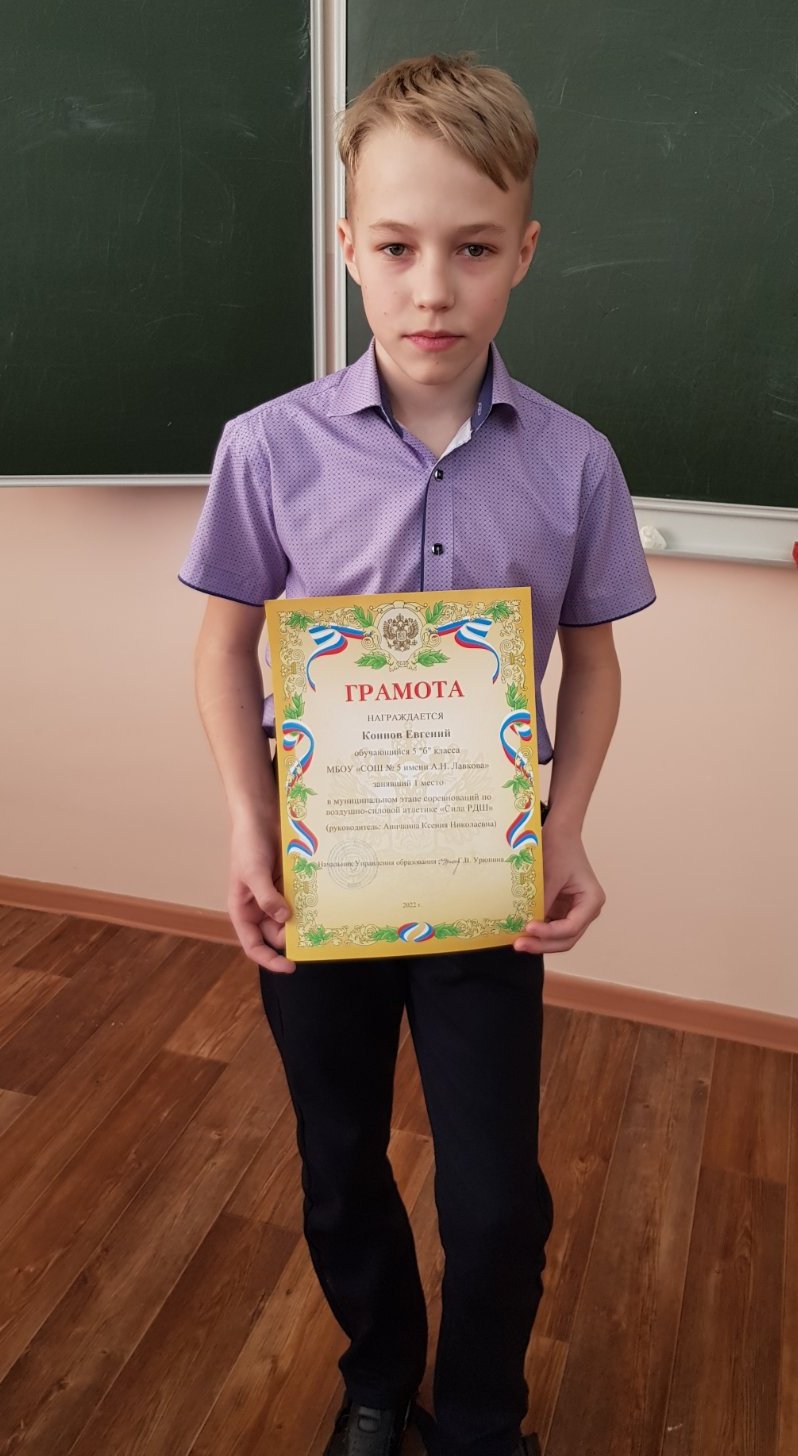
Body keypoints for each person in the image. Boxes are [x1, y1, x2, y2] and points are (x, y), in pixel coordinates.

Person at [178, 51, 655, 1456]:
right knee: (337, 1164)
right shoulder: (268, 450)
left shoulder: (574, 462)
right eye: (395, 247)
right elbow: (221, 650)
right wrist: (248, 827)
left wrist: (566, 826)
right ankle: (379, 1381)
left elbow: (593, 661)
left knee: (495, 1196)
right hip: (318, 884)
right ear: (347, 248)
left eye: (472, 248)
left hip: (485, 890)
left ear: (525, 251)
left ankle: (483, 1416)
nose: (431, 288)